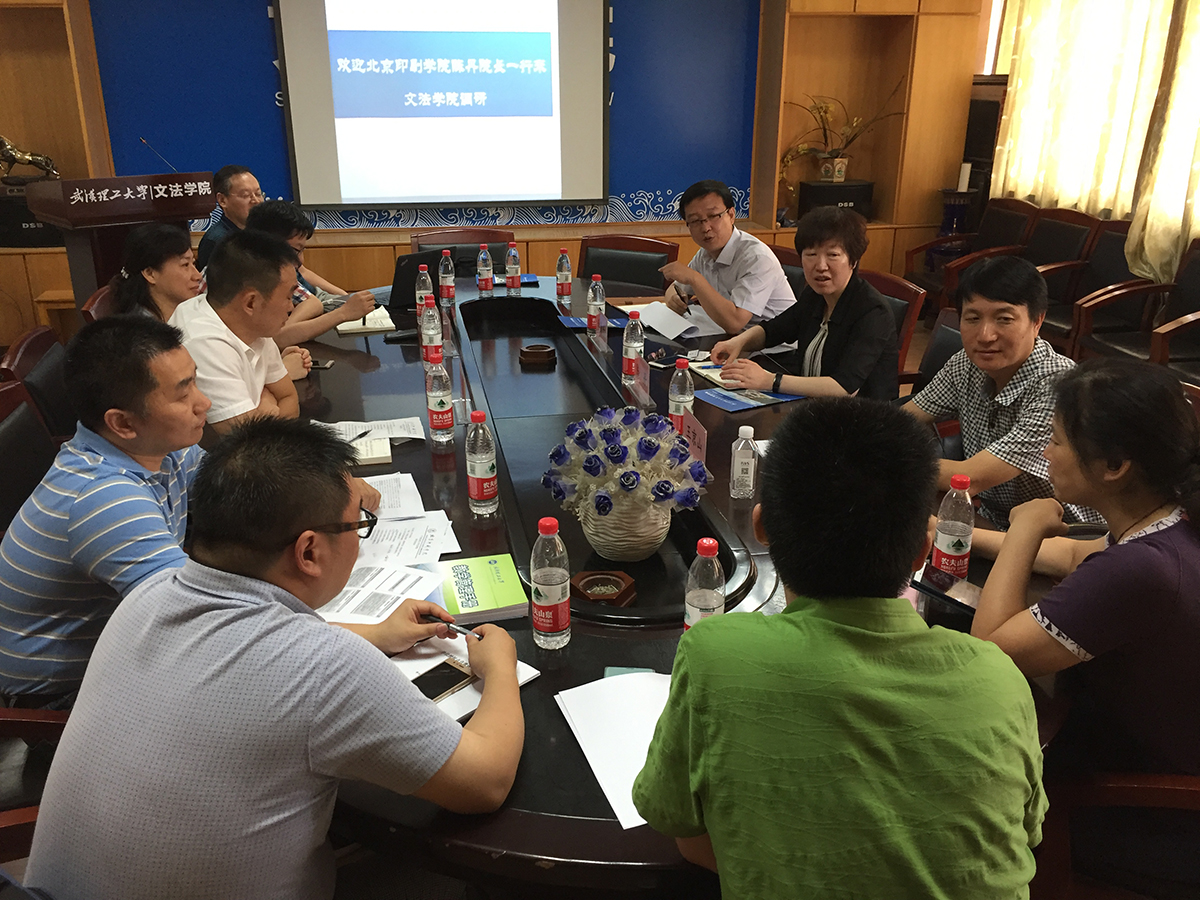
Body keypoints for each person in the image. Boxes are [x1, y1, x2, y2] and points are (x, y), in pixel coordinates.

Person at [23, 418, 525, 900]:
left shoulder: (148, 594)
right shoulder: (326, 667)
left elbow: (241, 654)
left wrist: (375, 634)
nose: (359, 536)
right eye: (358, 524)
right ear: (309, 552)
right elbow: (485, 782)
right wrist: (499, 667)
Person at [632, 397, 1046, 899]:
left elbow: (677, 823)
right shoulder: (999, 678)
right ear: (922, 550)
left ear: (762, 527)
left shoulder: (715, 656)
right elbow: (1024, 833)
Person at [971, 358, 1200, 898]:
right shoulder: (1171, 521)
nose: (1045, 451)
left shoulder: (1142, 570)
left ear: (1114, 465)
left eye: (1056, 440)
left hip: (1144, 814)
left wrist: (1026, 526)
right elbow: (1076, 553)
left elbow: (989, 647)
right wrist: (954, 532)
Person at [0, 317, 209, 706]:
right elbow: (191, 617)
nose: (203, 403)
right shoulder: (104, 497)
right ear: (123, 423)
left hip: (119, 648)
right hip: (62, 694)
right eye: (183, 395)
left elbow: (235, 494)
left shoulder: (163, 448)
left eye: (195, 382)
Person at [902, 255, 1103, 528]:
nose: (985, 335)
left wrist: (884, 457)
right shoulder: (965, 364)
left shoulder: (1060, 386)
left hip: (1065, 535)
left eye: (1004, 319)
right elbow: (902, 421)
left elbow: (969, 477)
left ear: (1037, 321)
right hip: (995, 520)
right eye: (973, 318)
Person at [711, 207, 899, 400]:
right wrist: (739, 342)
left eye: (833, 255)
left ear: (853, 261)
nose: (821, 266)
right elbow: (775, 330)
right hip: (811, 405)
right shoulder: (815, 295)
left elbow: (844, 387)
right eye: (811, 254)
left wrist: (770, 380)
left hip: (862, 413)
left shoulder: (872, 311)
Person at [169, 229, 303, 434]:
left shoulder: (253, 323)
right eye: (287, 297)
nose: (291, 306)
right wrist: (266, 400)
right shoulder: (203, 342)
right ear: (251, 302)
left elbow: (289, 398)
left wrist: (264, 408)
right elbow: (250, 442)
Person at [659, 179, 794, 333]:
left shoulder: (756, 258)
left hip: (777, 344)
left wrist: (694, 278)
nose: (706, 227)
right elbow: (675, 289)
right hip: (735, 339)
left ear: (731, 215)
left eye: (713, 216)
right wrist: (675, 299)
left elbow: (735, 322)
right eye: (695, 221)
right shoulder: (705, 254)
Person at [243, 199, 378, 344]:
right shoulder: (253, 277)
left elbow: (311, 303)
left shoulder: (272, 269)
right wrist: (343, 313)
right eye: (295, 251)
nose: (300, 261)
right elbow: (277, 340)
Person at [108, 223, 201, 321]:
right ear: (150, 274)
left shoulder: (191, 315)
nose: (198, 276)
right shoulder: (139, 328)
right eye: (185, 265)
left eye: (193, 263)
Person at [195, 165, 263, 271]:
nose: (256, 201)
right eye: (245, 195)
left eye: (258, 194)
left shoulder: (262, 233)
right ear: (222, 200)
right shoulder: (217, 241)